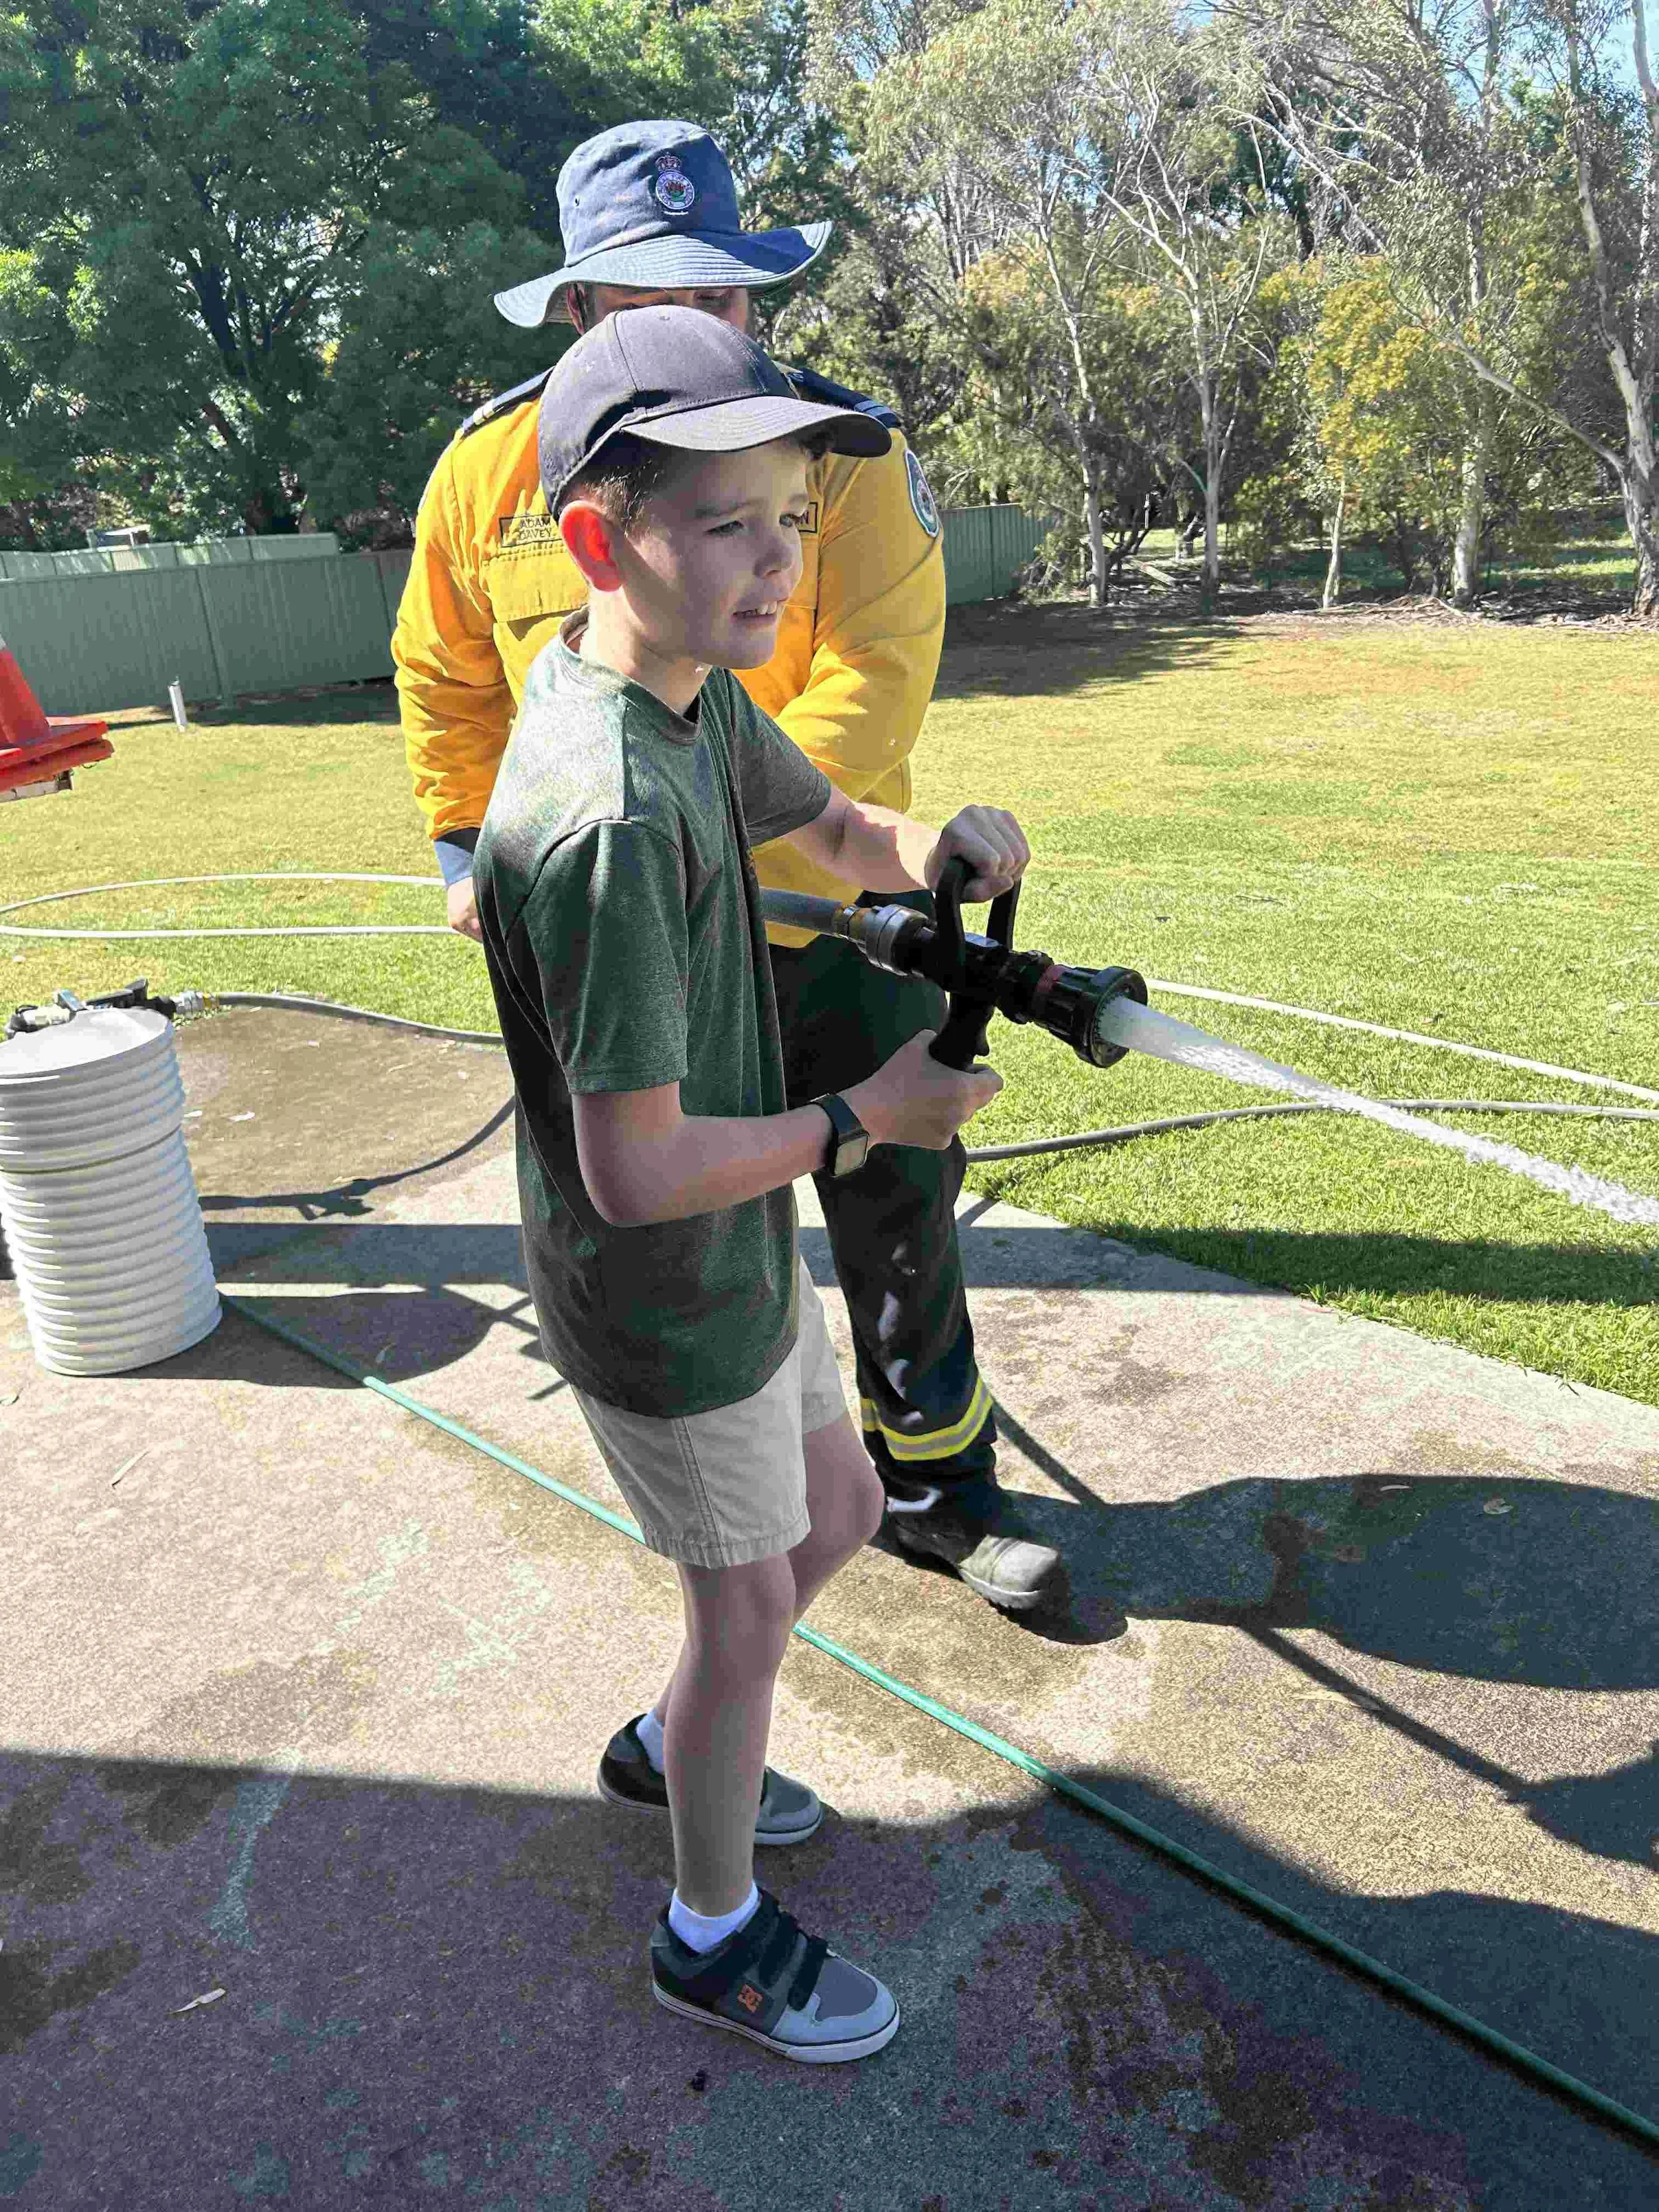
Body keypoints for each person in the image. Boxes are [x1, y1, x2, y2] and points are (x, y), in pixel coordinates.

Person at [393, 118, 1063, 1612]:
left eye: (728, 297)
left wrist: (789, 842)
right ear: (580, 311)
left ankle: (939, 1488)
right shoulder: (485, 470)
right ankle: (739, 1507)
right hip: (636, 925)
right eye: (653, 301)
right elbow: (449, 680)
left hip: (829, 923)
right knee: (684, 1229)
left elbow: (873, 671)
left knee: (894, 1188)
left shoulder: (841, 449)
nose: (704, 328)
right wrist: (465, 843)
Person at [470, 303, 1030, 2057]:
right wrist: (865, 1118)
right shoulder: (611, 806)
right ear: (598, 541)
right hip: (660, 1277)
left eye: (792, 518)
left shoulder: (694, 702)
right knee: (742, 1609)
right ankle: (707, 1929)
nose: (777, 561)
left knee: (842, 1514)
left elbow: (840, 830)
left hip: (733, 1243)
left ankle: (669, 1746)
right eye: (727, 523)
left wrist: (933, 848)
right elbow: (633, 1171)